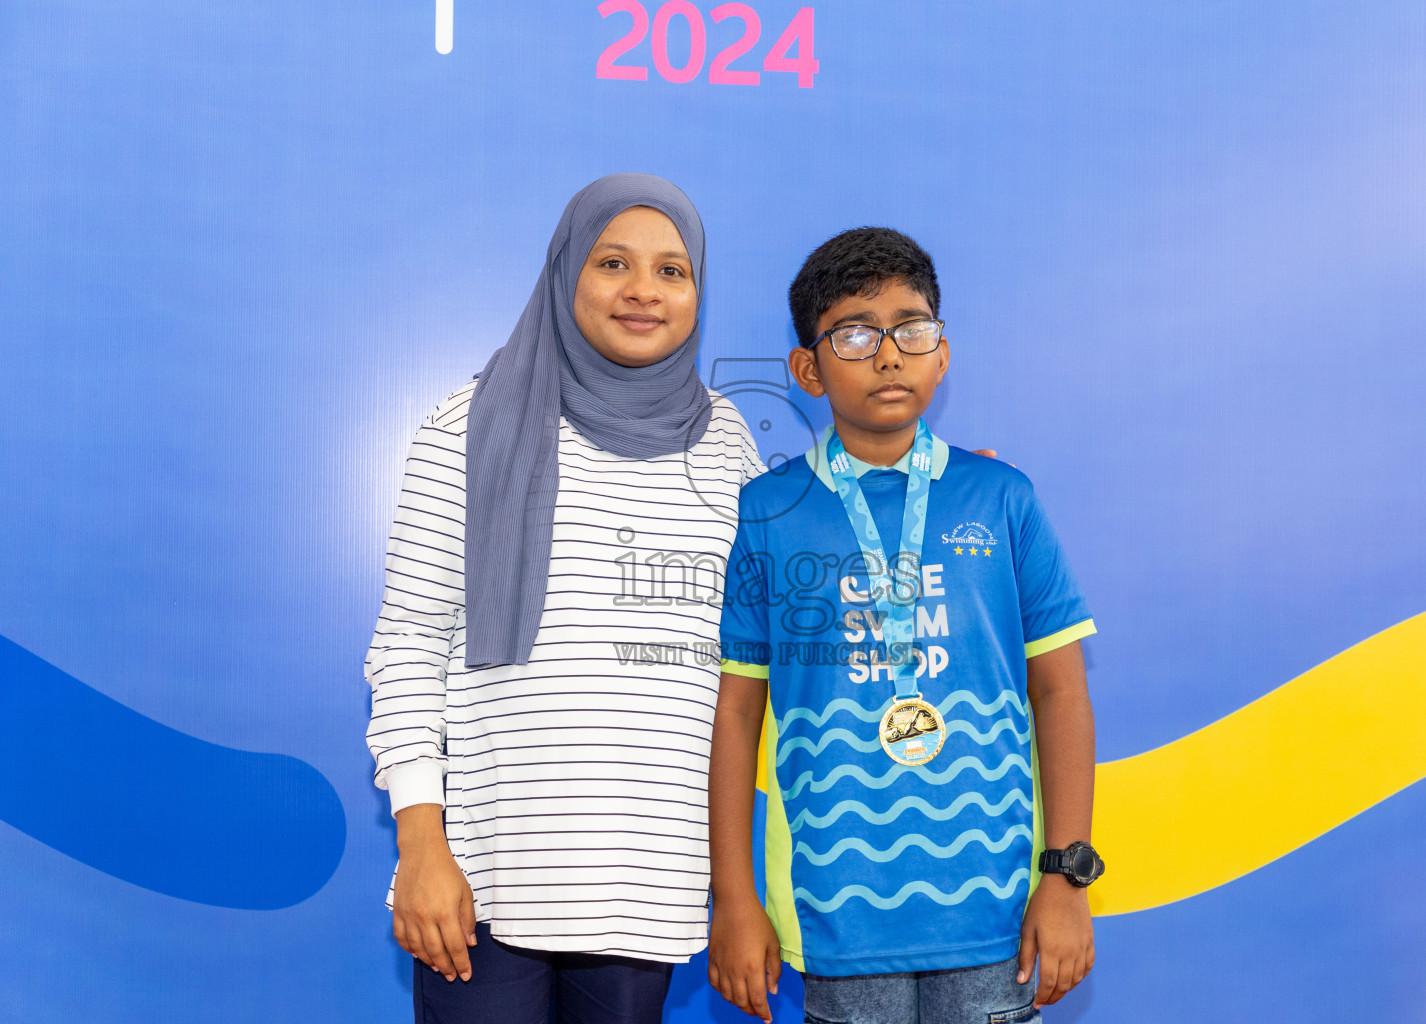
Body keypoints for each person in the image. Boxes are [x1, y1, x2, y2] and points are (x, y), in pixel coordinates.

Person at [365, 173, 765, 1024]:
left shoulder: (728, 441)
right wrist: (420, 842)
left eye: (672, 270)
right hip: (484, 881)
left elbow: (769, 623)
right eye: (612, 262)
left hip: (642, 885)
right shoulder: (468, 423)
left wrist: (897, 497)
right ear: (563, 273)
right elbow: (408, 644)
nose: (642, 291)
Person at [707, 227, 1104, 1024]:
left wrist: (1064, 879)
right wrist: (736, 902)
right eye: (855, 333)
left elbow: (1060, 693)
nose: (889, 355)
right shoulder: (768, 513)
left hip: (992, 918)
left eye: (911, 329)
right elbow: (738, 713)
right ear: (808, 370)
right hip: (834, 915)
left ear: (942, 352)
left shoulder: (1002, 498)